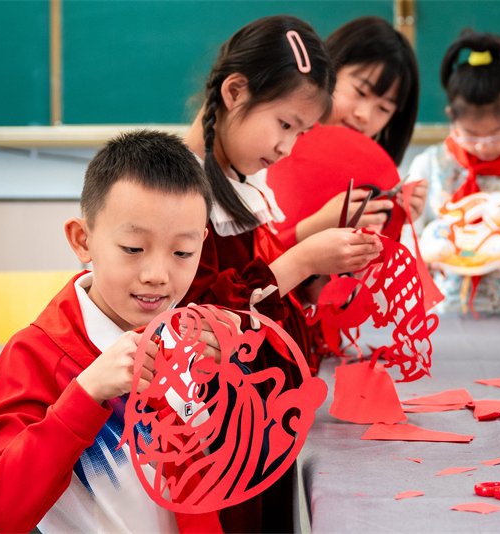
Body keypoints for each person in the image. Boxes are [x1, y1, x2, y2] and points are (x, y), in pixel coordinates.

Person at [180, 15, 382, 532]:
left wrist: (316, 246)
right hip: (215, 427)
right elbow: (201, 320)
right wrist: (305, 260)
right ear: (234, 91)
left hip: (260, 416)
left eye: (302, 131)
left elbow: (259, 274)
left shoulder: (239, 179)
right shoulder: (180, 192)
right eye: (285, 124)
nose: (289, 146)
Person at [0, 130, 228, 533]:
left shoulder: (190, 338)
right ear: (83, 240)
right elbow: (1, 510)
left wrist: (225, 382)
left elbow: (219, 475)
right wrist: (86, 394)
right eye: (132, 248)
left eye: (182, 253)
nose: (157, 275)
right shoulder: (34, 355)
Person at [410, 30, 500, 314]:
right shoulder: (429, 166)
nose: (483, 147)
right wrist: (429, 248)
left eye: (497, 135)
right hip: (443, 316)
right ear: (451, 116)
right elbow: (408, 247)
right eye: (470, 135)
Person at [268, 16, 428, 247]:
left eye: (384, 108)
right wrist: (316, 226)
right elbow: (248, 265)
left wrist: (395, 217)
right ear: (329, 70)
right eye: (360, 92)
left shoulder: (371, 182)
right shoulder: (269, 149)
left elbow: (370, 271)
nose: (365, 114)